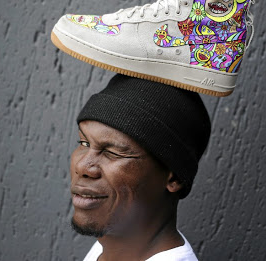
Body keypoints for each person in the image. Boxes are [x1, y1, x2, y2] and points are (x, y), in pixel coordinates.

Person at [70, 74, 211, 261]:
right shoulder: (103, 251)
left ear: (174, 177)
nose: (82, 167)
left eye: (113, 152)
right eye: (84, 143)